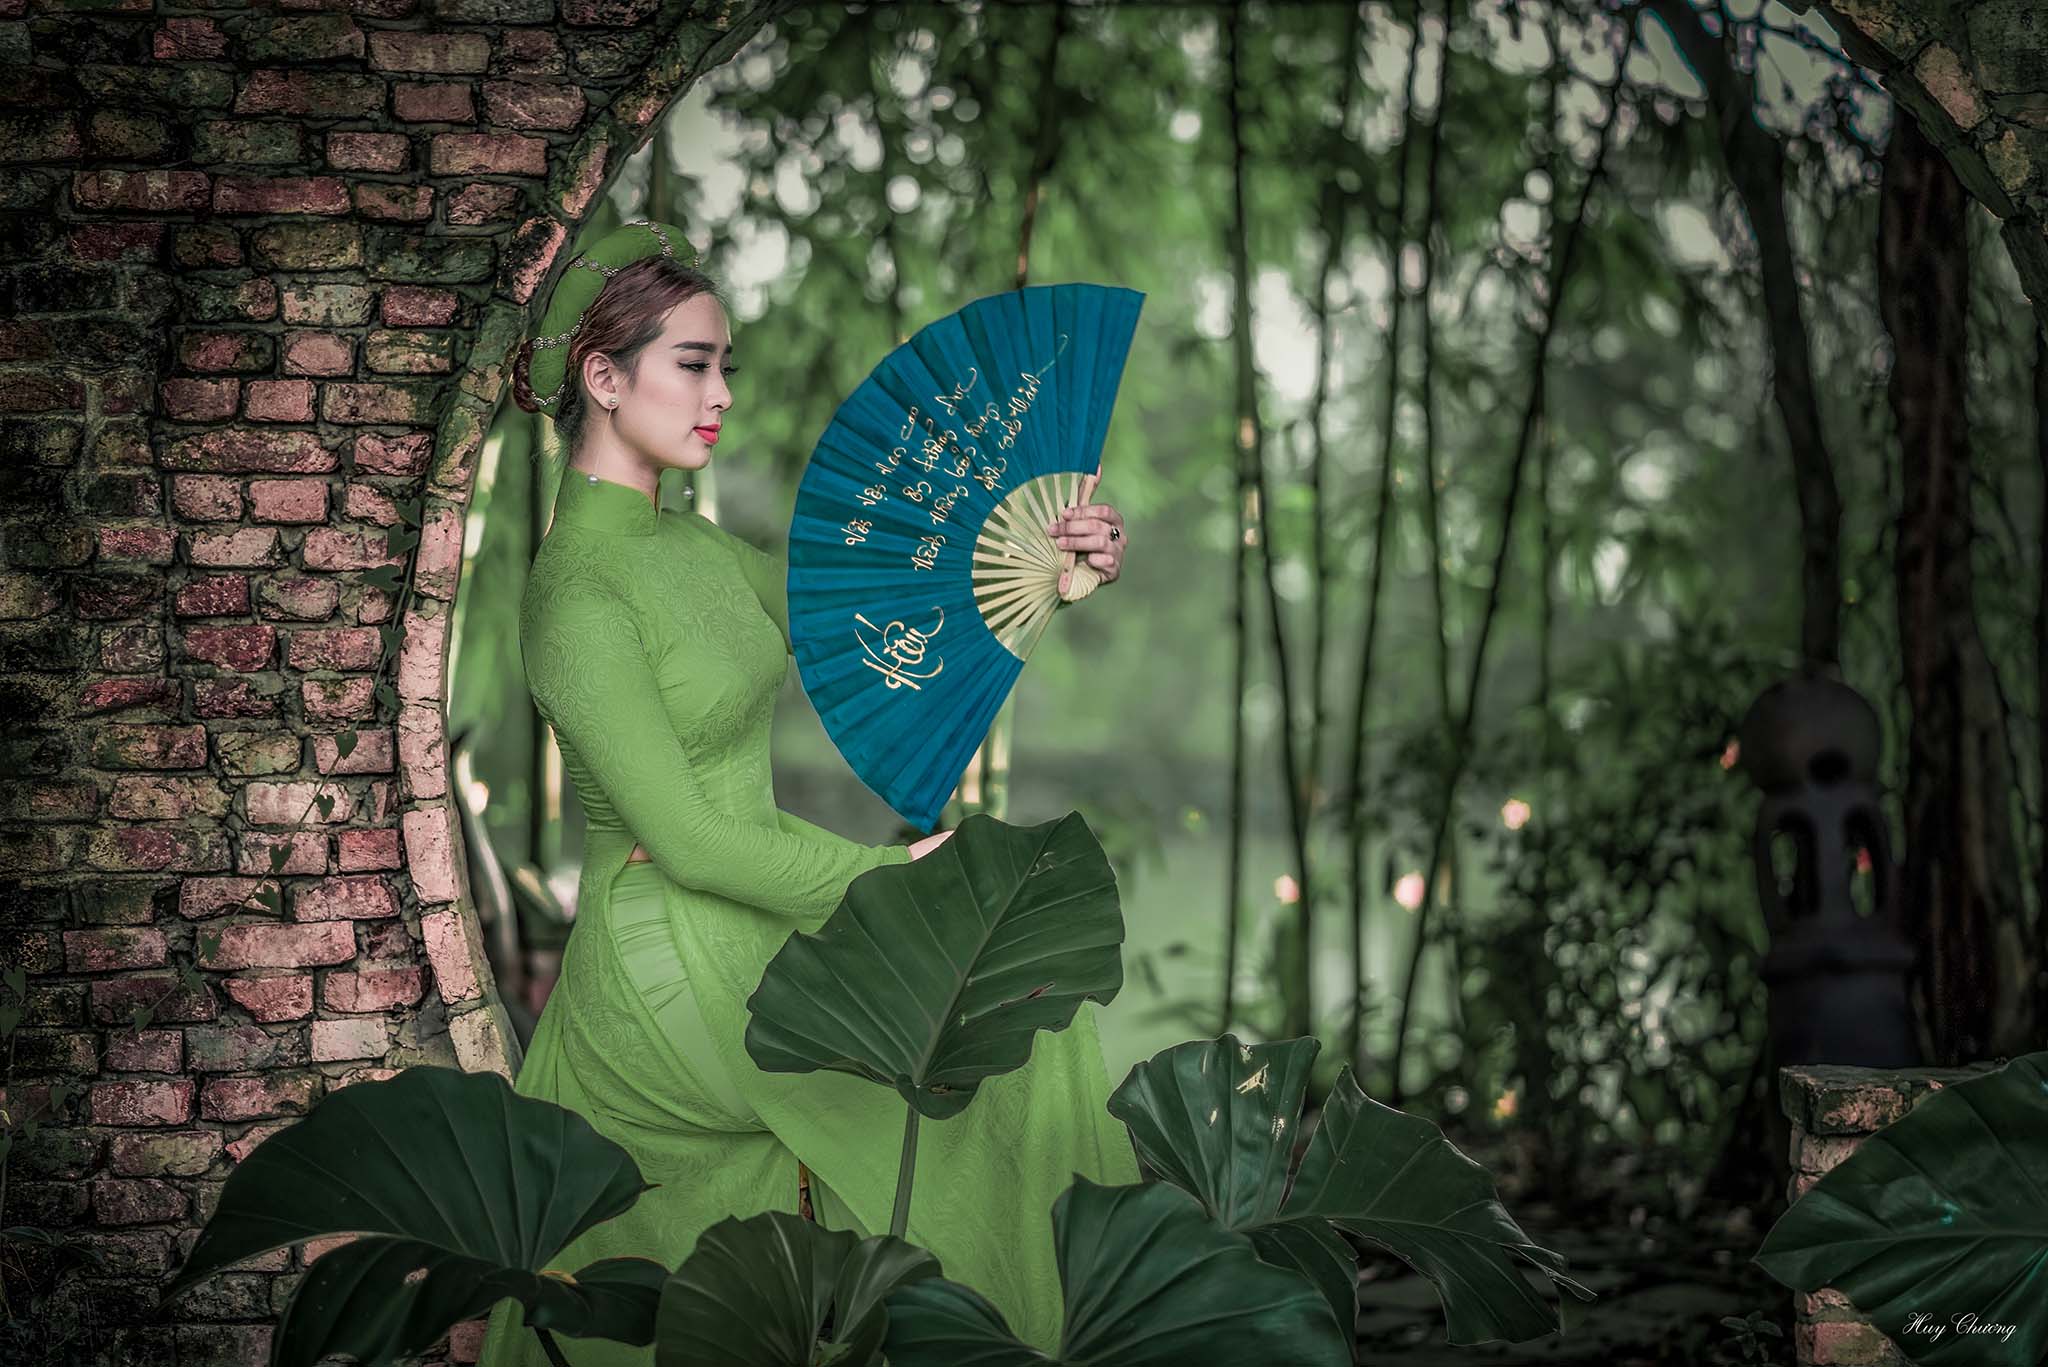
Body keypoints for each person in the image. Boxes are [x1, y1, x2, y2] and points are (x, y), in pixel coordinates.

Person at [476, 222, 1136, 1366]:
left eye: (726, 363)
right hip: (664, 955)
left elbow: (882, 614)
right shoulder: (573, 596)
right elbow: (683, 838)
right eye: (694, 363)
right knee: (980, 1054)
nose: (720, 391)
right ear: (601, 375)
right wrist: (890, 879)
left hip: (761, 902)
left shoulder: (693, 552)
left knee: (1025, 1016)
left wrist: (1052, 563)